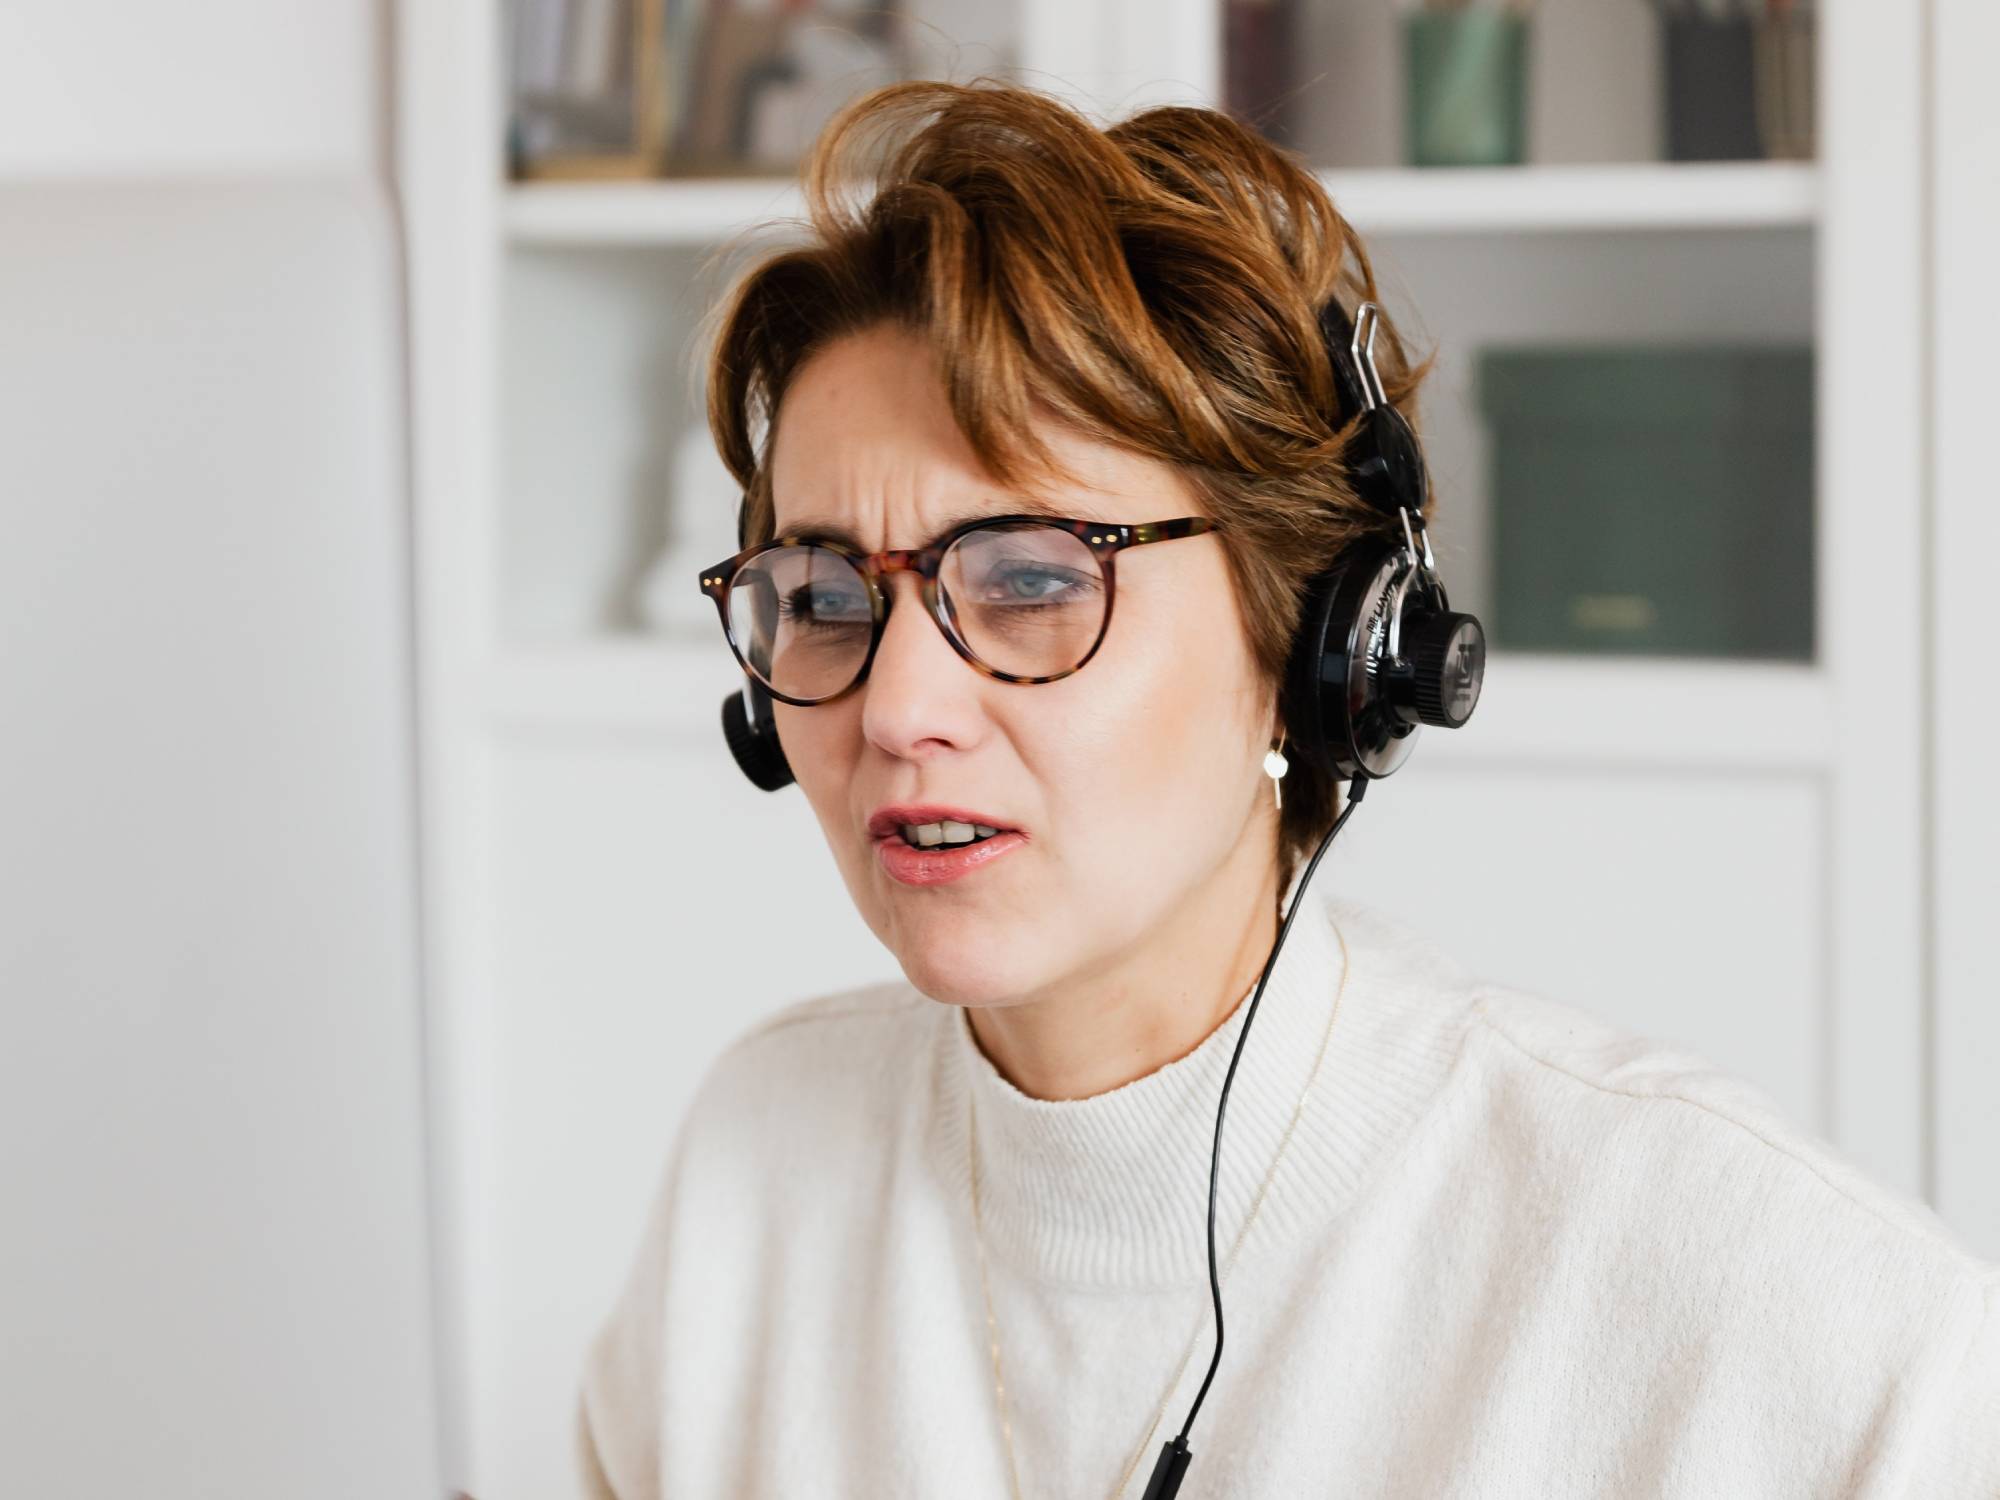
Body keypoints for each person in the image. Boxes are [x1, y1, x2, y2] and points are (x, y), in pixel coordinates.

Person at [575, 79, 2000, 1498]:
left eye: (1028, 581)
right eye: (824, 594)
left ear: (1308, 640)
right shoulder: (758, 1161)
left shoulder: (1754, 1298)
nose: (896, 709)